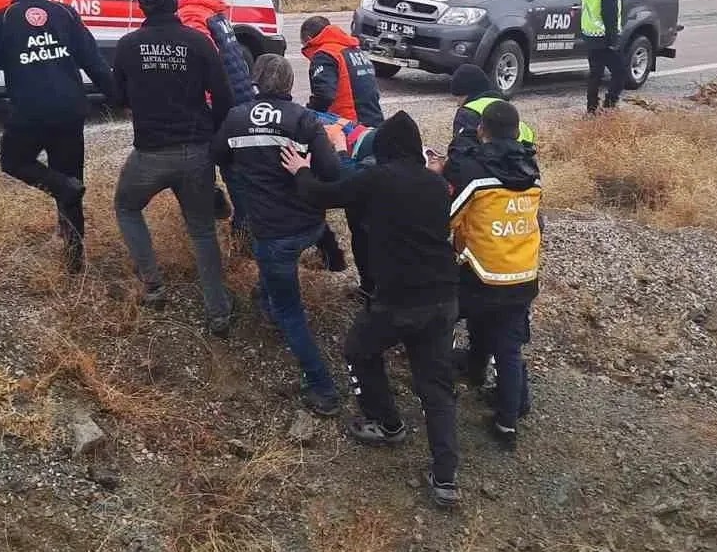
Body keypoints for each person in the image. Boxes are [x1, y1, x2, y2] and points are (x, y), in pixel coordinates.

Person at [282, 111, 461, 509]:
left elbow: (320, 195)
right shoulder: (436, 184)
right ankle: (445, 478)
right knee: (436, 385)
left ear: (384, 149)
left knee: (359, 351)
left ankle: (386, 423)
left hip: (397, 299)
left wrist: (301, 169)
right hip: (444, 297)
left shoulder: (376, 179)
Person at [212, 54, 342, 415]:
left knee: (290, 311)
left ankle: (323, 388)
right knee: (275, 280)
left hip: (271, 232)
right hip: (310, 225)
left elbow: (218, 154)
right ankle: (267, 298)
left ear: (255, 81)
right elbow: (331, 172)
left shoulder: (236, 117)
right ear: (289, 84)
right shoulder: (304, 119)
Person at [0, 0, 113, 274]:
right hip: (70, 109)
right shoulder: (65, 13)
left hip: (29, 112)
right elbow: (95, 62)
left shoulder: (4, 18)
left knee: (14, 161)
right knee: (71, 175)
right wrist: (121, 97)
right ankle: (74, 259)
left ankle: (60, 189)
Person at [112, 0, 235, 335]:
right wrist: (212, 137)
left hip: (150, 153)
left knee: (126, 207)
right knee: (202, 230)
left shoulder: (128, 45)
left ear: (143, 9)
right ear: (176, 7)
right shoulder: (198, 42)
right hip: (196, 150)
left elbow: (117, 97)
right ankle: (218, 312)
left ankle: (153, 286)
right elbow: (224, 96)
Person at [442, 101, 541, 449]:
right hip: (523, 275)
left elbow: (448, 217)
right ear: (517, 132)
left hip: (480, 273)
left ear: (482, 130)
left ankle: (443, 390)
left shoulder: (475, 173)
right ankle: (506, 424)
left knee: (444, 319)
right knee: (509, 349)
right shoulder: (532, 170)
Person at [166, 0, 256, 233]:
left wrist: (201, 102)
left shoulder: (189, 14)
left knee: (226, 163)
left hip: (223, 99)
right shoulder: (211, 11)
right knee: (237, 161)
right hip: (240, 93)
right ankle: (246, 220)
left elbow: (203, 58)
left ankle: (244, 226)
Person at [300, 15, 385, 288]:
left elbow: (324, 96)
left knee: (357, 216)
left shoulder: (325, 55)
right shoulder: (354, 50)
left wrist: (309, 116)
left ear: (310, 38)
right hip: (375, 133)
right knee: (373, 212)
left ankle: (367, 286)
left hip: (349, 137)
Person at [447, 63, 536, 152]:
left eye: (457, 99)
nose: (458, 104)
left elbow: (460, 153)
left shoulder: (467, 113)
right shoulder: (510, 112)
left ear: (464, 95)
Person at [580, 0, 625, 114]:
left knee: (595, 74)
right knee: (620, 73)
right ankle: (609, 105)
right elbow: (610, 15)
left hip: (589, 35)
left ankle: (591, 108)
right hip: (604, 37)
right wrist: (614, 41)